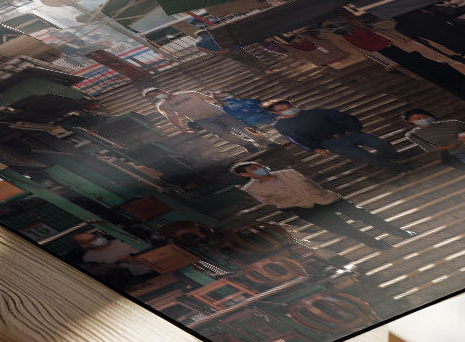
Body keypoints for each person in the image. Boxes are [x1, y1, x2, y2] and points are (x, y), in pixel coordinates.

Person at [231, 162, 415, 245]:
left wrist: (320, 193)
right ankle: (374, 243)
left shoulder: (289, 172)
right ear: (245, 175)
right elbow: (267, 201)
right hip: (302, 208)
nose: (258, 169)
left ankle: (399, 232)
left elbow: (311, 182)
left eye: (257, 165)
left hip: (326, 198)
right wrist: (291, 202)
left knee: (363, 215)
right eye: (252, 169)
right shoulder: (252, 189)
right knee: (341, 228)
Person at [261, 98, 403, 169]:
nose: (288, 110)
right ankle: (398, 167)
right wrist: (316, 148)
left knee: (382, 144)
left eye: (288, 107)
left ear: (292, 105)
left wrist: (353, 128)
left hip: (349, 134)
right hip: (330, 142)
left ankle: (390, 156)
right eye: (282, 110)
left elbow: (342, 117)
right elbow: (296, 138)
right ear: (275, 113)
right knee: (365, 157)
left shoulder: (315, 112)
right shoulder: (281, 125)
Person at [143, 86, 262, 152]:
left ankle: (264, 141)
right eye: (153, 97)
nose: (156, 97)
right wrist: (181, 128)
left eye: (156, 94)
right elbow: (173, 117)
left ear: (162, 90)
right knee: (223, 134)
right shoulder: (163, 106)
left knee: (243, 128)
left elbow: (210, 100)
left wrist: (219, 98)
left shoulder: (189, 93)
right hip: (202, 121)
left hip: (219, 113)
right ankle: (247, 145)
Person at [72, 228, 154, 288]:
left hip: (153, 267)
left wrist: (136, 257)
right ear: (84, 245)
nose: (98, 239)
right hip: (136, 279)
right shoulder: (89, 258)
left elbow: (148, 250)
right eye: (92, 239)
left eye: (96, 236)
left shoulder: (120, 241)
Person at [194, 30, 275, 74]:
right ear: (206, 32)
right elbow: (227, 40)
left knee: (243, 61)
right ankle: (267, 70)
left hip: (224, 54)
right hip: (233, 49)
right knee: (251, 58)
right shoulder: (213, 35)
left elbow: (206, 51)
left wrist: (219, 52)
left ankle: (261, 71)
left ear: (199, 35)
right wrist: (227, 48)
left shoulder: (197, 43)